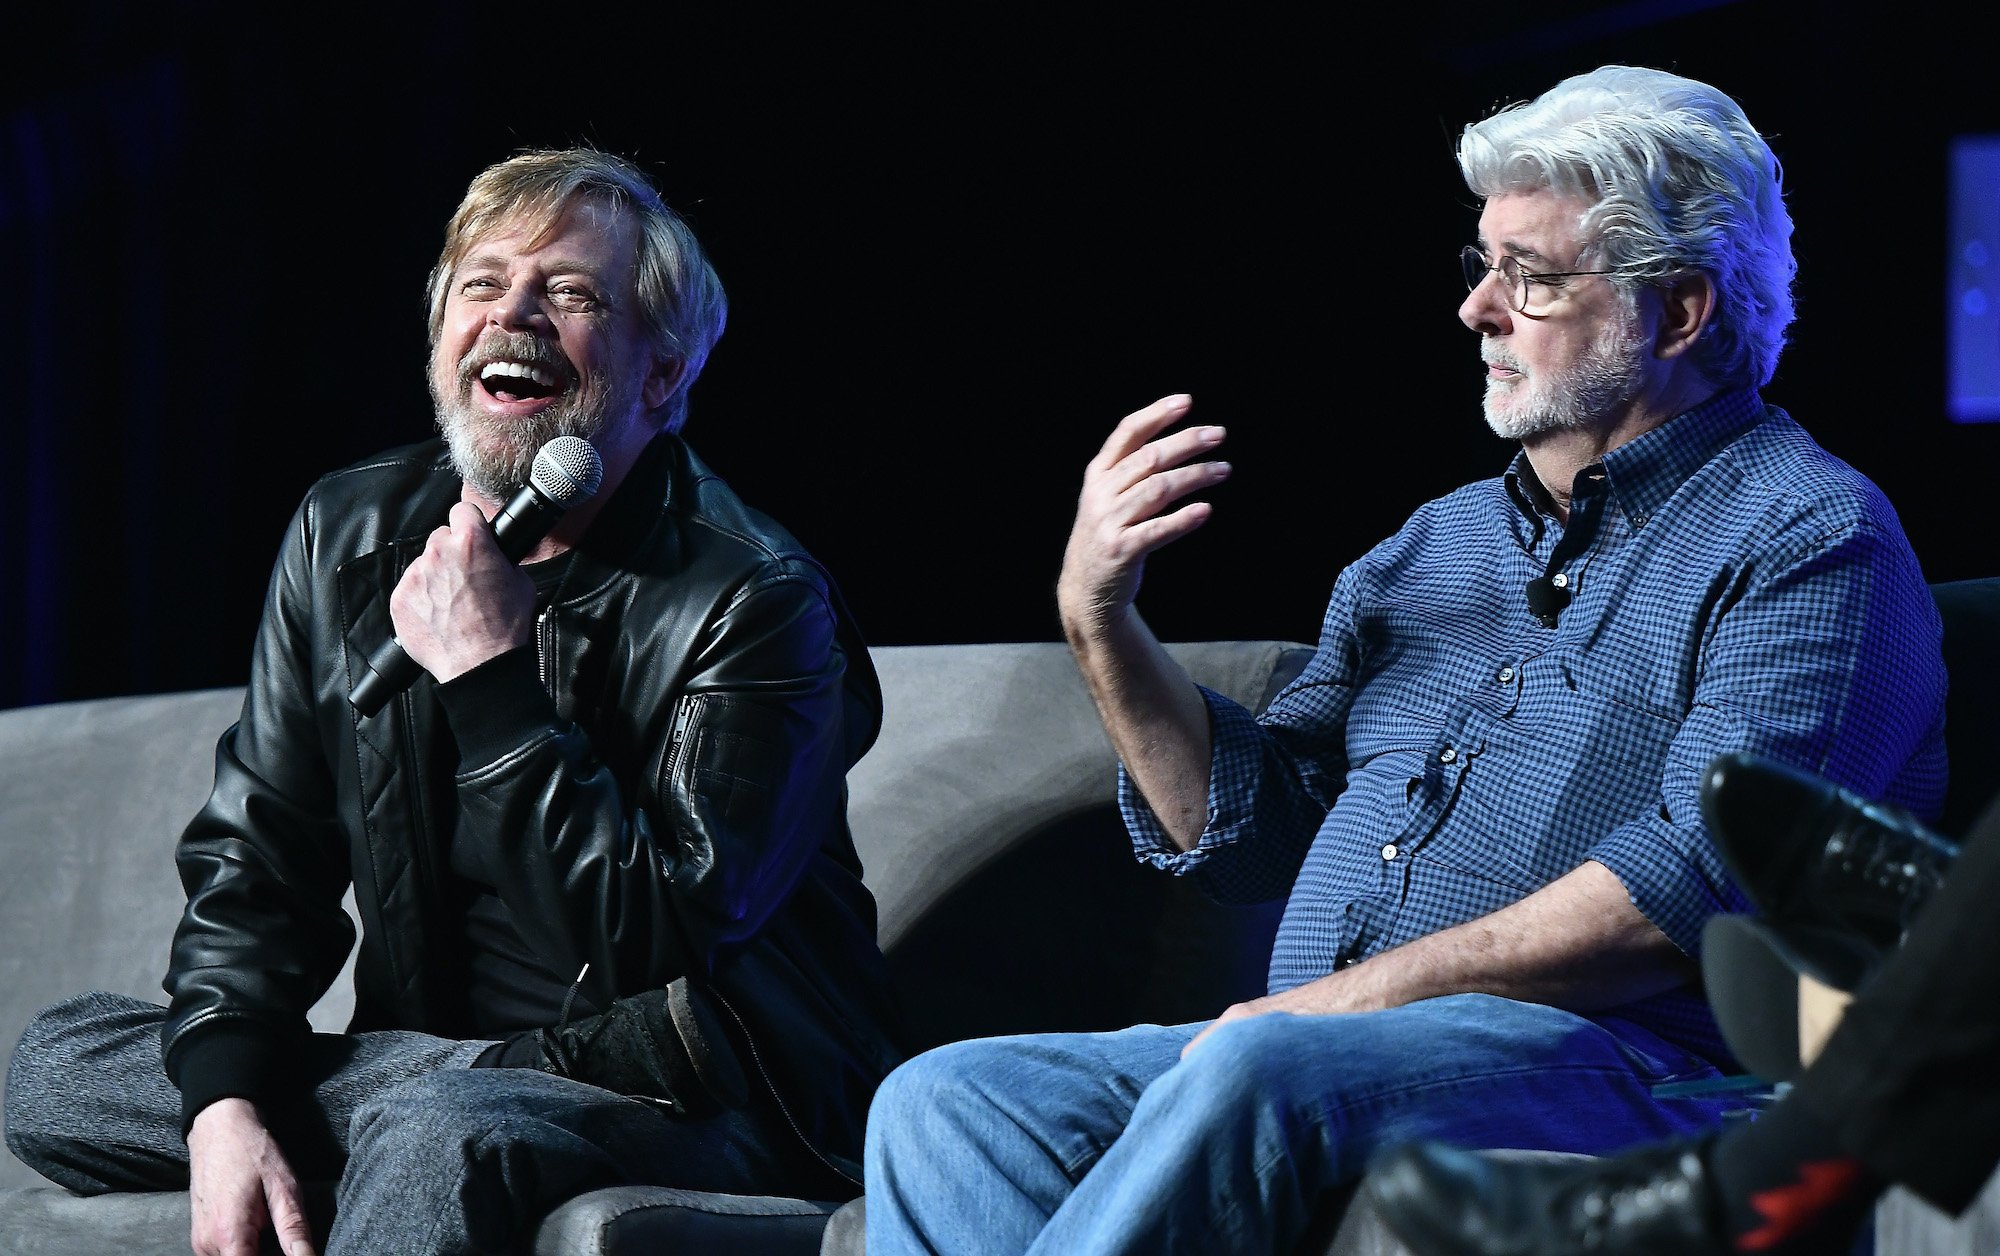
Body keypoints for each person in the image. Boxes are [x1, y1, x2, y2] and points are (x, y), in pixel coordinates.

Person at [861, 64, 1950, 1255]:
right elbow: (1255, 834)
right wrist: (1098, 617)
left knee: (1268, 1061)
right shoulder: (1427, 545)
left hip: (1655, 1058)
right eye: (1481, 264)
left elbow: (1696, 886)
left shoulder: (1809, 535)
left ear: (1676, 311)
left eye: (1528, 276)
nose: (1477, 308)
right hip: (1333, 1046)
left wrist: (1329, 1005)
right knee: (948, 1099)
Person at [2, 147, 903, 1256]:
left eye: (570, 293)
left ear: (660, 374)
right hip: (447, 1055)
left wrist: (488, 684)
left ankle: (447, 1086)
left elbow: (657, 936)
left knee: (439, 1126)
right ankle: (455, 1078)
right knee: (57, 1067)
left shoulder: (756, 598)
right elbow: (261, 859)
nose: (512, 313)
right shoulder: (347, 532)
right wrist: (228, 1101)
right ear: (440, 335)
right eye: (482, 283)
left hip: (720, 1094)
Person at [1361, 752, 1998, 1255]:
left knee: (1267, 1062)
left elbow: (1676, 881)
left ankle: (1751, 1198)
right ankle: (1953, 930)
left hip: (1633, 1043)